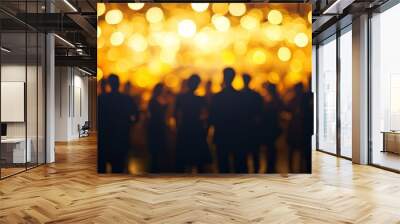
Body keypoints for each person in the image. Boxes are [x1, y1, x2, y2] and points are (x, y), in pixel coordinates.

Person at [209, 67, 246, 173]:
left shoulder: (218, 97)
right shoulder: (240, 97)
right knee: (239, 166)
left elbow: (212, 118)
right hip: (237, 135)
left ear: (224, 77)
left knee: (223, 167)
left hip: (222, 135)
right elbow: (244, 117)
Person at [174, 74, 211, 173]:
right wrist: (206, 129)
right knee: (199, 161)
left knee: (183, 162)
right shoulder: (199, 99)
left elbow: (175, 115)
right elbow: (207, 115)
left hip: (185, 129)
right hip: (197, 130)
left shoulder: (181, 98)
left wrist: (177, 128)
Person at [98, 74, 135, 173]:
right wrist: (128, 124)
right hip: (121, 140)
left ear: (108, 84)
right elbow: (136, 117)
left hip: (105, 140)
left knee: (102, 169)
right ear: (119, 84)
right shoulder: (127, 99)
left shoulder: (102, 98)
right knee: (118, 170)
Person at [239, 74, 264, 173]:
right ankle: (255, 173)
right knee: (254, 153)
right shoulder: (256, 95)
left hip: (244, 129)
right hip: (253, 129)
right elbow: (261, 112)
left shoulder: (239, 95)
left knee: (244, 154)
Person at [147, 83, 168, 173]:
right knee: (156, 151)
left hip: (158, 127)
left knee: (159, 150)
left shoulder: (155, 100)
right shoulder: (153, 101)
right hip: (156, 127)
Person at [262, 83, 283, 173]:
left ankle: (270, 166)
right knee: (271, 147)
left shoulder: (271, 99)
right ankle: (271, 166)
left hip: (271, 127)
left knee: (270, 147)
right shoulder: (276, 99)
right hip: (273, 127)